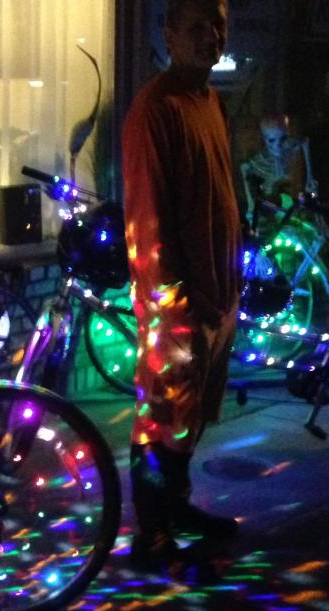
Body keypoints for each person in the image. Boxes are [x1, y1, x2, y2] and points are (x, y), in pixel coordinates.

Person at [121, 0, 241, 576]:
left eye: (218, 24)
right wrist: (174, 306)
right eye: (197, 26)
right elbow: (148, 222)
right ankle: (151, 533)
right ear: (168, 35)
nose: (211, 36)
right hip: (178, 304)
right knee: (161, 418)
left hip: (218, 295)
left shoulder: (210, 101)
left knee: (189, 419)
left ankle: (176, 507)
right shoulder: (155, 110)